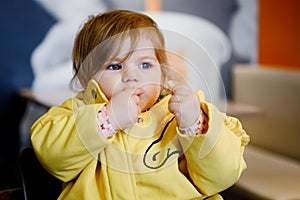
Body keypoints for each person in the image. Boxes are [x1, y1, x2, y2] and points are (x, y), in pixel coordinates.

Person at [31, 10, 250, 200]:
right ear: (86, 78)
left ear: (161, 71)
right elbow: (53, 159)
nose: (132, 76)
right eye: (115, 67)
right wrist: (107, 119)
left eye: (145, 64)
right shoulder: (73, 113)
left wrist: (196, 124)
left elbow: (222, 176)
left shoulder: (180, 115)